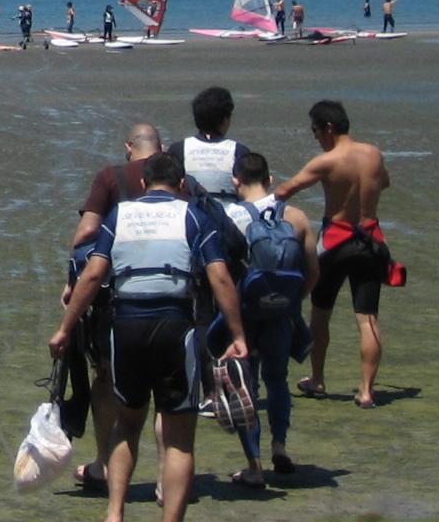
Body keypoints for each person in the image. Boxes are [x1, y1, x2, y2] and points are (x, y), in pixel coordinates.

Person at [51, 151, 248, 522]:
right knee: (178, 437)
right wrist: (237, 333)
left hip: (126, 326)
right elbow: (220, 277)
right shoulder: (194, 215)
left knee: (127, 424)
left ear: (143, 185)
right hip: (176, 326)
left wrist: (64, 329)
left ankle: (114, 514)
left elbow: (92, 275)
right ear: (183, 185)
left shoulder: (120, 215)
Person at [65, 123, 164, 493]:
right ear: (161, 146)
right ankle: (166, 478)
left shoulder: (111, 177)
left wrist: (71, 279)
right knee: (165, 393)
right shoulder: (177, 178)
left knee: (104, 378)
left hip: (117, 295)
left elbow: (88, 232)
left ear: (128, 147)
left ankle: (105, 463)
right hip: (171, 293)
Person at [274, 99, 392, 408]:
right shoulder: (374, 154)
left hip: (337, 242)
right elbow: (385, 183)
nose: (316, 137)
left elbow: (284, 192)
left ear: (328, 127)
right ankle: (367, 391)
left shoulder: (326, 161)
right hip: (370, 243)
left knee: (320, 314)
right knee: (368, 319)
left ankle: (318, 379)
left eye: (316, 131)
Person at [225, 152, 319, 487]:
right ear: (270, 178)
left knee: (245, 387)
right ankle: (280, 445)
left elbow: (220, 275)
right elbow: (313, 273)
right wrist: (288, 303)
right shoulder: (297, 217)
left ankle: (254, 466)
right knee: (277, 380)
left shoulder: (230, 217)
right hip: (282, 313)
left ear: (236, 181)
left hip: (245, 315)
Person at [176, 86, 247, 202]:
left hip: (191, 215)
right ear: (225, 120)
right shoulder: (239, 151)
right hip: (228, 216)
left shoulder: (179, 149)